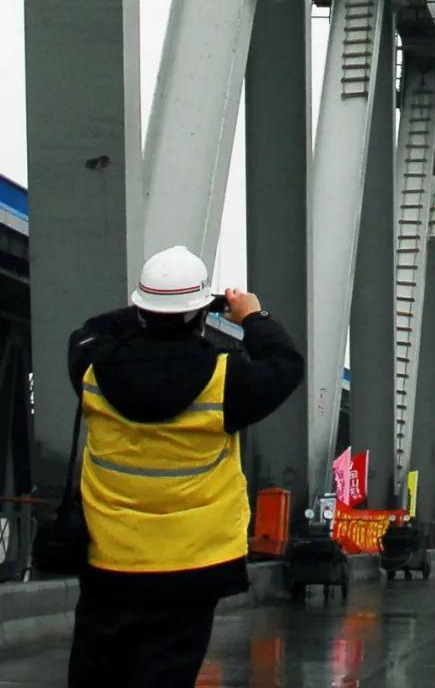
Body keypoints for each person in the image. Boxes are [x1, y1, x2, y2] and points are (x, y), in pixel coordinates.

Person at [66, 246, 304, 687]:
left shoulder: (91, 368)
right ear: (199, 314)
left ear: (141, 310)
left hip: (109, 562)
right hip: (192, 570)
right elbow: (285, 364)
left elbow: (92, 328)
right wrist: (253, 316)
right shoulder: (228, 381)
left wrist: (158, 303)